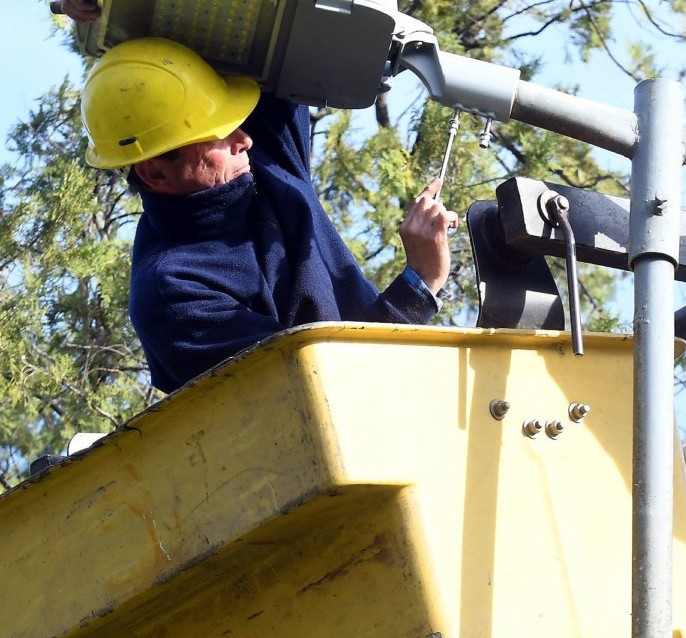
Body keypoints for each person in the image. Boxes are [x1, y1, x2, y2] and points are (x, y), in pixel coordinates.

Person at [61, 4, 458, 394]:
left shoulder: (258, 161)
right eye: (218, 134)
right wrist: (419, 284)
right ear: (156, 173)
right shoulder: (174, 292)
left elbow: (255, 26)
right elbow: (324, 394)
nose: (245, 139)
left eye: (234, 120)